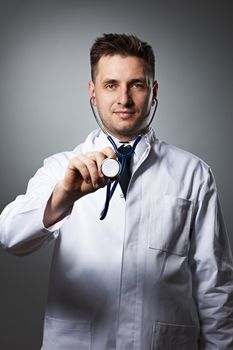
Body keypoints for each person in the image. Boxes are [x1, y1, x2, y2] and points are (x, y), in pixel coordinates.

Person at [0, 33, 233, 350]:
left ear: (153, 92)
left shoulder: (193, 174)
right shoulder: (60, 168)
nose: (124, 98)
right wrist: (63, 197)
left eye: (136, 84)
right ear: (92, 92)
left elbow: (215, 284)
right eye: (111, 85)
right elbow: (10, 236)